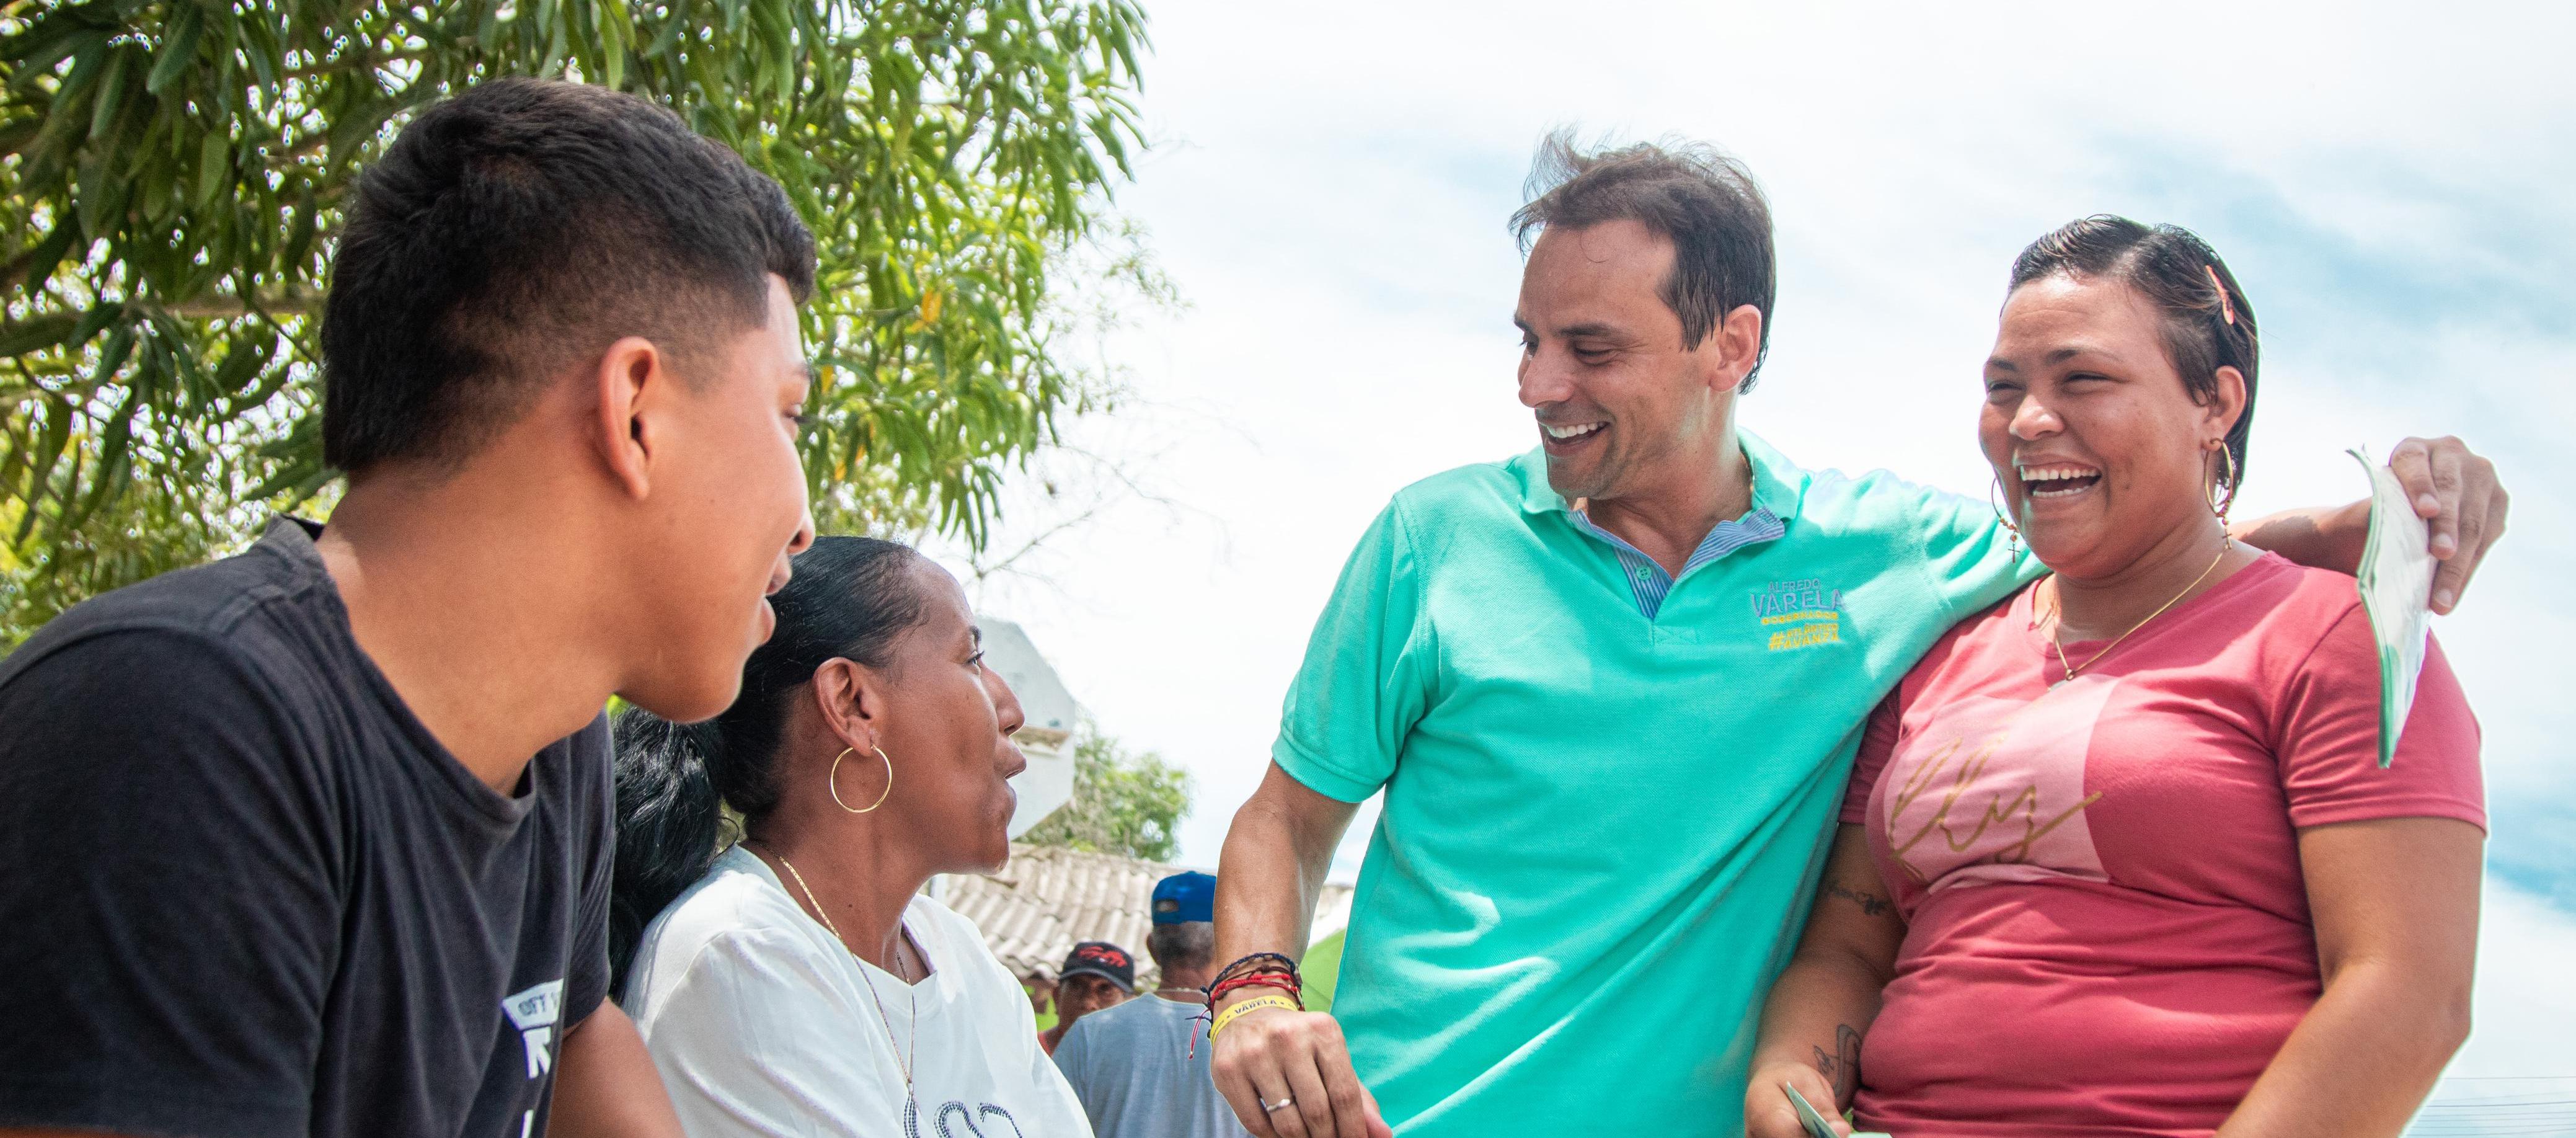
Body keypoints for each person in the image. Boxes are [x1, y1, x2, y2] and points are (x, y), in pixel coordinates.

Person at [1206, 134, 2512, 1138]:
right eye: (1531, 340)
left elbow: (2151, 565)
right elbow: (1282, 817)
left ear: (1731, 344)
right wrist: (1255, 987)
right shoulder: (1434, 536)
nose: (1537, 384)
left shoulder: (1893, 559)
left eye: (1589, 347)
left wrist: (2359, 530)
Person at [0, 78, 816, 1138]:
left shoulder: (552, 744)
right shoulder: (179, 730)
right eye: (788, 412)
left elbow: (572, 1038)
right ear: (637, 414)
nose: (804, 525)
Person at [1745, 217, 2484, 1138]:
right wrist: (1787, 1073)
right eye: (2001, 388)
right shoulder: (1938, 657)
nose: (2027, 421)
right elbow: (1850, 942)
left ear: (2214, 404)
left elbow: (2407, 993)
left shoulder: (2330, 633)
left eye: (2081, 378)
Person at [614, 536, 1093, 1137]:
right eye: (971, 659)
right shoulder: (738, 954)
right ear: (852, 703)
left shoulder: (962, 958)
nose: (1012, 707)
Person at [1055, 872, 1254, 1138]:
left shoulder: (1089, 1034)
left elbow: (1045, 1124)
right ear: (1228, 944)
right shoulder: (1253, 1041)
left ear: (1152, 948)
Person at [1042, 942, 1139, 1055]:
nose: (1089, 1003)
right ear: (1057, 996)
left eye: (1105, 990)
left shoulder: (1136, 1064)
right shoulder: (1026, 1052)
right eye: (1077, 987)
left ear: (1129, 1006)